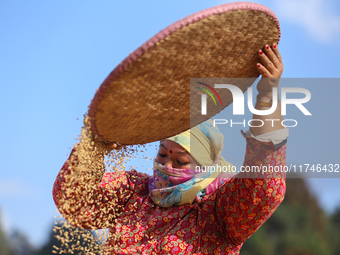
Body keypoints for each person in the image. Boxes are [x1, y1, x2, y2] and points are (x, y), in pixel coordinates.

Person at [53, 44, 288, 254]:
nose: (166, 166)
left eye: (181, 161)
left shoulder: (218, 213)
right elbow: (74, 202)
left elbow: (264, 188)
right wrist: (93, 147)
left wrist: (267, 96)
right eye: (162, 154)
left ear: (204, 167)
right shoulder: (133, 193)